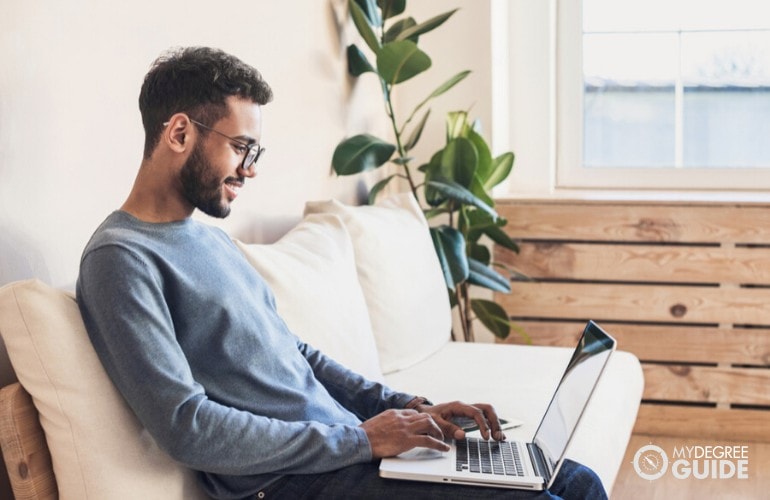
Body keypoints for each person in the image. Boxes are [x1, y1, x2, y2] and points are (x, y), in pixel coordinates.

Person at [76, 46, 607, 500]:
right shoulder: (120, 260)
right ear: (178, 134)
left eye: (254, 150)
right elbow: (187, 426)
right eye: (241, 147)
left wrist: (407, 408)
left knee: (573, 478)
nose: (252, 168)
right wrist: (364, 441)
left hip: (345, 453)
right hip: (286, 483)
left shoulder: (210, 239)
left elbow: (295, 355)